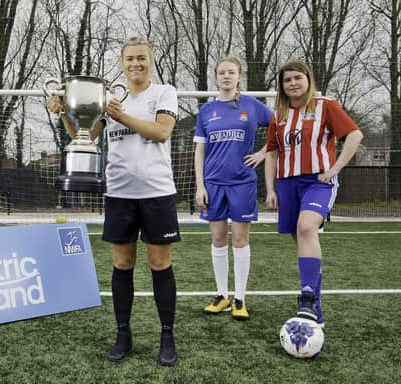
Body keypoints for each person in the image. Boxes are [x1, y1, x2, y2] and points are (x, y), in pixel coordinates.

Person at [47, 36, 180, 366]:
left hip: (157, 192)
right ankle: (124, 334)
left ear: (150, 62)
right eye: (130, 59)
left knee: (160, 265)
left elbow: (162, 132)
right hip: (119, 193)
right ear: (122, 64)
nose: (135, 63)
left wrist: (121, 117)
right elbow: (83, 136)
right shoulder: (108, 101)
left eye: (141, 58)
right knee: (122, 265)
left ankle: (167, 336)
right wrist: (64, 111)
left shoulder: (163, 93)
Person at [265, 61, 363, 328]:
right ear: (282, 86)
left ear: (308, 80)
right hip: (287, 184)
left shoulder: (326, 106)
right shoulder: (278, 116)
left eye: (298, 78)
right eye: (287, 80)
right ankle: (314, 307)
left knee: (307, 227)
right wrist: (271, 189)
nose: (293, 83)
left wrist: (336, 167)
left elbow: (354, 134)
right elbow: (272, 153)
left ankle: (306, 297)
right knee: (300, 239)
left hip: (318, 181)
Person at [194, 56, 273, 320]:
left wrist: (263, 153)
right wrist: (199, 185)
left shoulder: (251, 105)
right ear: (215, 77)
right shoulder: (206, 111)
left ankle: (239, 298)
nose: (226, 76)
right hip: (213, 184)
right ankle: (221, 296)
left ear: (239, 77)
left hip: (242, 183)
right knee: (218, 239)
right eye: (222, 72)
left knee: (239, 239)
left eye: (231, 72)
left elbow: (279, 127)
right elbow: (200, 150)